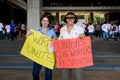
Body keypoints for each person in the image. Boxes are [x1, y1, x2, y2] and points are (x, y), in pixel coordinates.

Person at [26, 15, 57, 80]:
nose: (45, 22)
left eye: (47, 21)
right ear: (41, 22)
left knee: (48, 76)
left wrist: (54, 40)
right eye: (44, 21)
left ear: (48, 22)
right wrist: (28, 35)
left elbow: (56, 39)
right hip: (38, 55)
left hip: (48, 56)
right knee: (35, 73)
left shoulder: (52, 31)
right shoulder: (36, 32)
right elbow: (29, 40)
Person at [58, 12, 85, 80]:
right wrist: (56, 40)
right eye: (68, 18)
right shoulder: (62, 29)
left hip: (77, 57)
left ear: (74, 19)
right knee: (65, 77)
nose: (70, 19)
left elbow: (84, 43)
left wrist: (83, 37)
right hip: (65, 57)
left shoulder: (79, 29)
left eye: (72, 18)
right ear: (66, 19)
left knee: (78, 77)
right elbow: (60, 41)